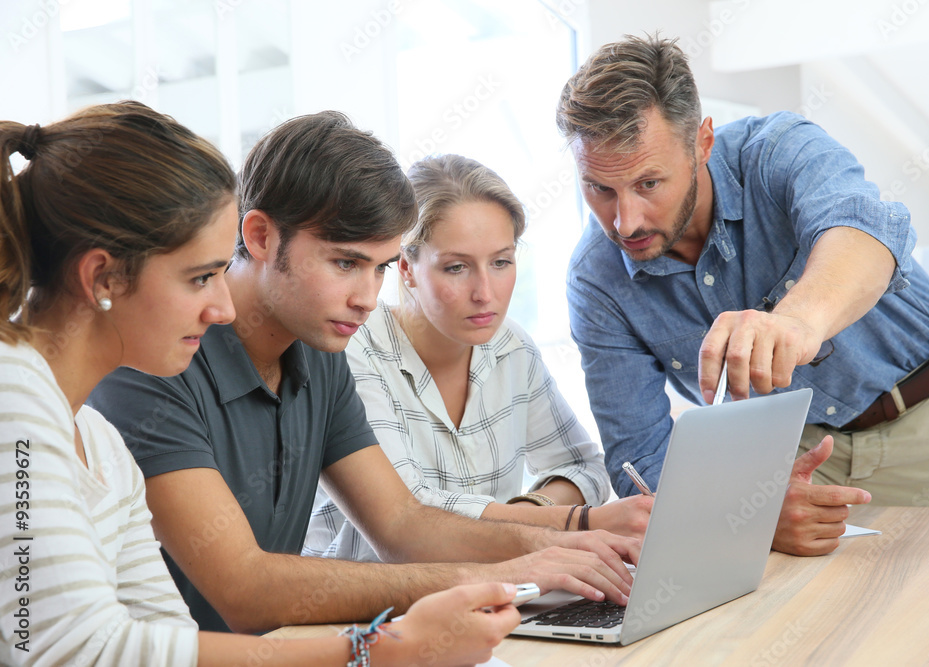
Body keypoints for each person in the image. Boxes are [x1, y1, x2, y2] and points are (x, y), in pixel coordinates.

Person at [0, 102, 519, 667]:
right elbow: (80, 649)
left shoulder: (98, 441)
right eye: (201, 277)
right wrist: (375, 651)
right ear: (103, 277)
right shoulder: (14, 402)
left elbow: (164, 637)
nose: (223, 306)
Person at [88, 111, 640, 636]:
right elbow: (244, 587)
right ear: (259, 236)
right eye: (345, 263)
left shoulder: (319, 351)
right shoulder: (154, 358)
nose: (368, 299)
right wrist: (496, 576)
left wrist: (567, 542)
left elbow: (402, 524)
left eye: (379, 269)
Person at [557, 34, 929, 557]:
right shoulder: (594, 279)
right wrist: (749, 514)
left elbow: (865, 230)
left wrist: (797, 322)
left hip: (926, 417)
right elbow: (640, 459)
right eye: (599, 188)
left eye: (648, 183)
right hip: (783, 459)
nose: (625, 221)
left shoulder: (779, 150)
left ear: (702, 143)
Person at [305, 155, 653, 563]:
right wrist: (576, 523)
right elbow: (413, 514)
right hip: (366, 607)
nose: (485, 293)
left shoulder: (510, 348)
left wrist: (527, 515)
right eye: (457, 268)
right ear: (406, 268)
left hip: (496, 588)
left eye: (501, 262)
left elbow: (584, 466)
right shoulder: (352, 351)